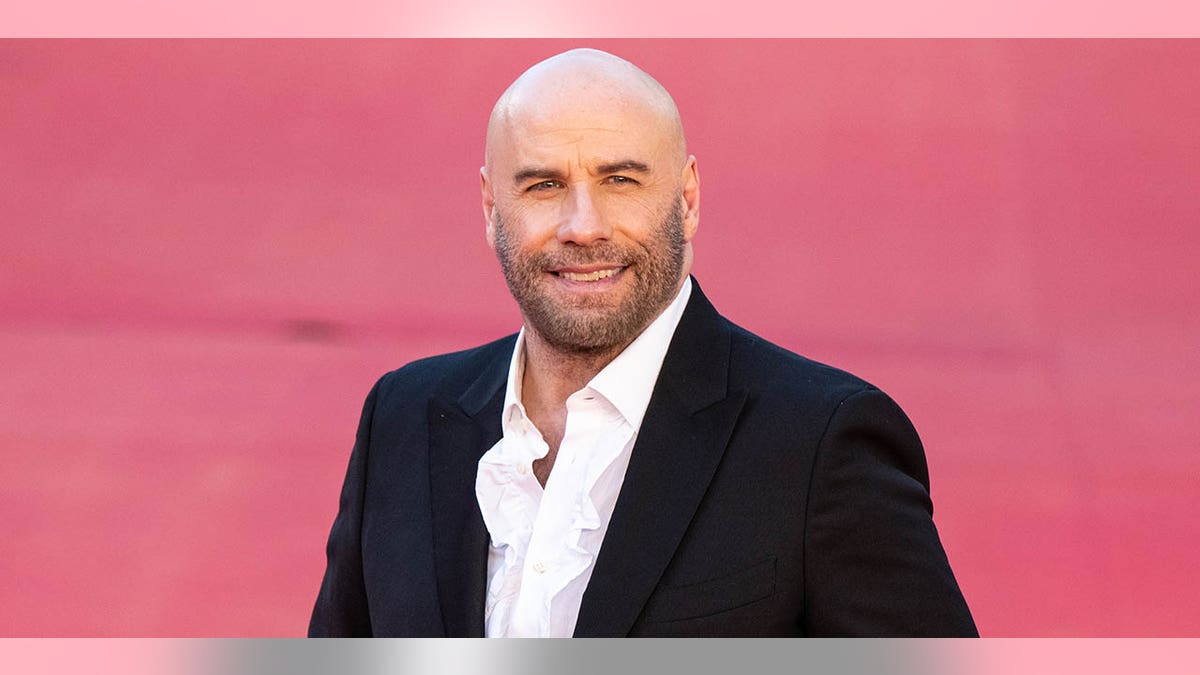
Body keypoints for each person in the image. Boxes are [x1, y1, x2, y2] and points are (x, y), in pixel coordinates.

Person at [308, 48, 977, 637]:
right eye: (543, 185)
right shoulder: (402, 417)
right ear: (492, 211)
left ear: (685, 199)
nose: (583, 225)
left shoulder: (821, 444)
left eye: (620, 180)